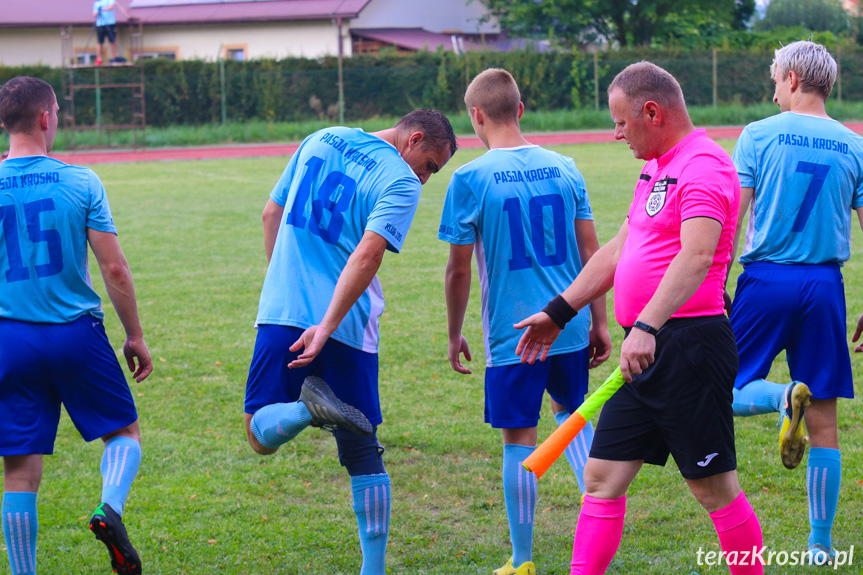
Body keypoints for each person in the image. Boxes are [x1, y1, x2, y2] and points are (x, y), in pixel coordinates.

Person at [514, 62, 764, 575]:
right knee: (602, 476)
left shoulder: (705, 166)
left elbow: (696, 257)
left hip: (689, 347)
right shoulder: (656, 166)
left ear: (652, 112)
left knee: (713, 489)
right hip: (643, 349)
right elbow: (620, 249)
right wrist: (560, 312)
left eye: (622, 122)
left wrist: (646, 326)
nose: (616, 133)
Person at [243, 109, 456, 575]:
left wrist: (283, 281)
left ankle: (302, 410)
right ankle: (373, 570)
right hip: (349, 325)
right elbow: (366, 255)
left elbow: (270, 213)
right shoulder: (399, 180)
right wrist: (327, 323)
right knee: (362, 447)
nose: (424, 179)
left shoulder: (322, 136)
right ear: (413, 138)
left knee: (258, 433)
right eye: (429, 167)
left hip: (285, 311)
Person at [439, 68, 610, 575]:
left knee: (519, 438)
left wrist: (453, 333)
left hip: (514, 333)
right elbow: (590, 251)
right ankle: (601, 517)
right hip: (570, 321)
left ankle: (522, 559)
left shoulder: (470, 178)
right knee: (572, 414)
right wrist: (599, 321)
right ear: (520, 109)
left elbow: (459, 267)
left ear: (475, 116)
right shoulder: (565, 166)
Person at [0, 77, 152, 575]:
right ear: (46, 118)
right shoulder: (81, 180)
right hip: (74, 334)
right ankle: (110, 508)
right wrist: (134, 335)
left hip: (9, 339)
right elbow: (114, 269)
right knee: (123, 431)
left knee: (20, 471)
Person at [728, 41, 863, 565]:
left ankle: (783, 397)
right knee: (826, 421)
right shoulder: (855, 145)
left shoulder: (758, 134)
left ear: (790, 77)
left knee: (726, 388)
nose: (772, 88)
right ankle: (821, 546)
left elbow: (734, 218)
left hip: (767, 281)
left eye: (773, 78)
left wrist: (714, 282)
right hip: (826, 287)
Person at [92, 0, 118, 66]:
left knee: (112, 41)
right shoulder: (97, 3)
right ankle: (99, 59)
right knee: (100, 42)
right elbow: (94, 13)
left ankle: (114, 58)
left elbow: (111, 7)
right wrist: (98, 12)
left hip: (110, 23)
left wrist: (103, 9)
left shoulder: (109, 0)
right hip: (100, 24)